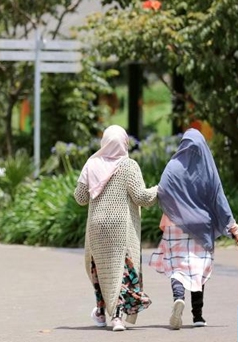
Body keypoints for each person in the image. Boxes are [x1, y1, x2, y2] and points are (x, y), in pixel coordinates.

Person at [149, 128, 238, 330]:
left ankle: (178, 298)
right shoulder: (208, 168)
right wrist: (233, 227)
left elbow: (163, 190)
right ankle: (198, 316)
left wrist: (174, 209)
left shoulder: (173, 166)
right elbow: (220, 199)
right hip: (201, 226)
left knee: (177, 267)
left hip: (175, 225)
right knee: (197, 268)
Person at [74, 125, 157, 332]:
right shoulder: (129, 166)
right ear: (124, 143)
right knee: (120, 271)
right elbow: (141, 197)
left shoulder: (91, 164)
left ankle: (101, 313)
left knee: (101, 270)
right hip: (120, 228)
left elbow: (81, 198)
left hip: (96, 228)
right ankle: (117, 319)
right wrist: (159, 189)